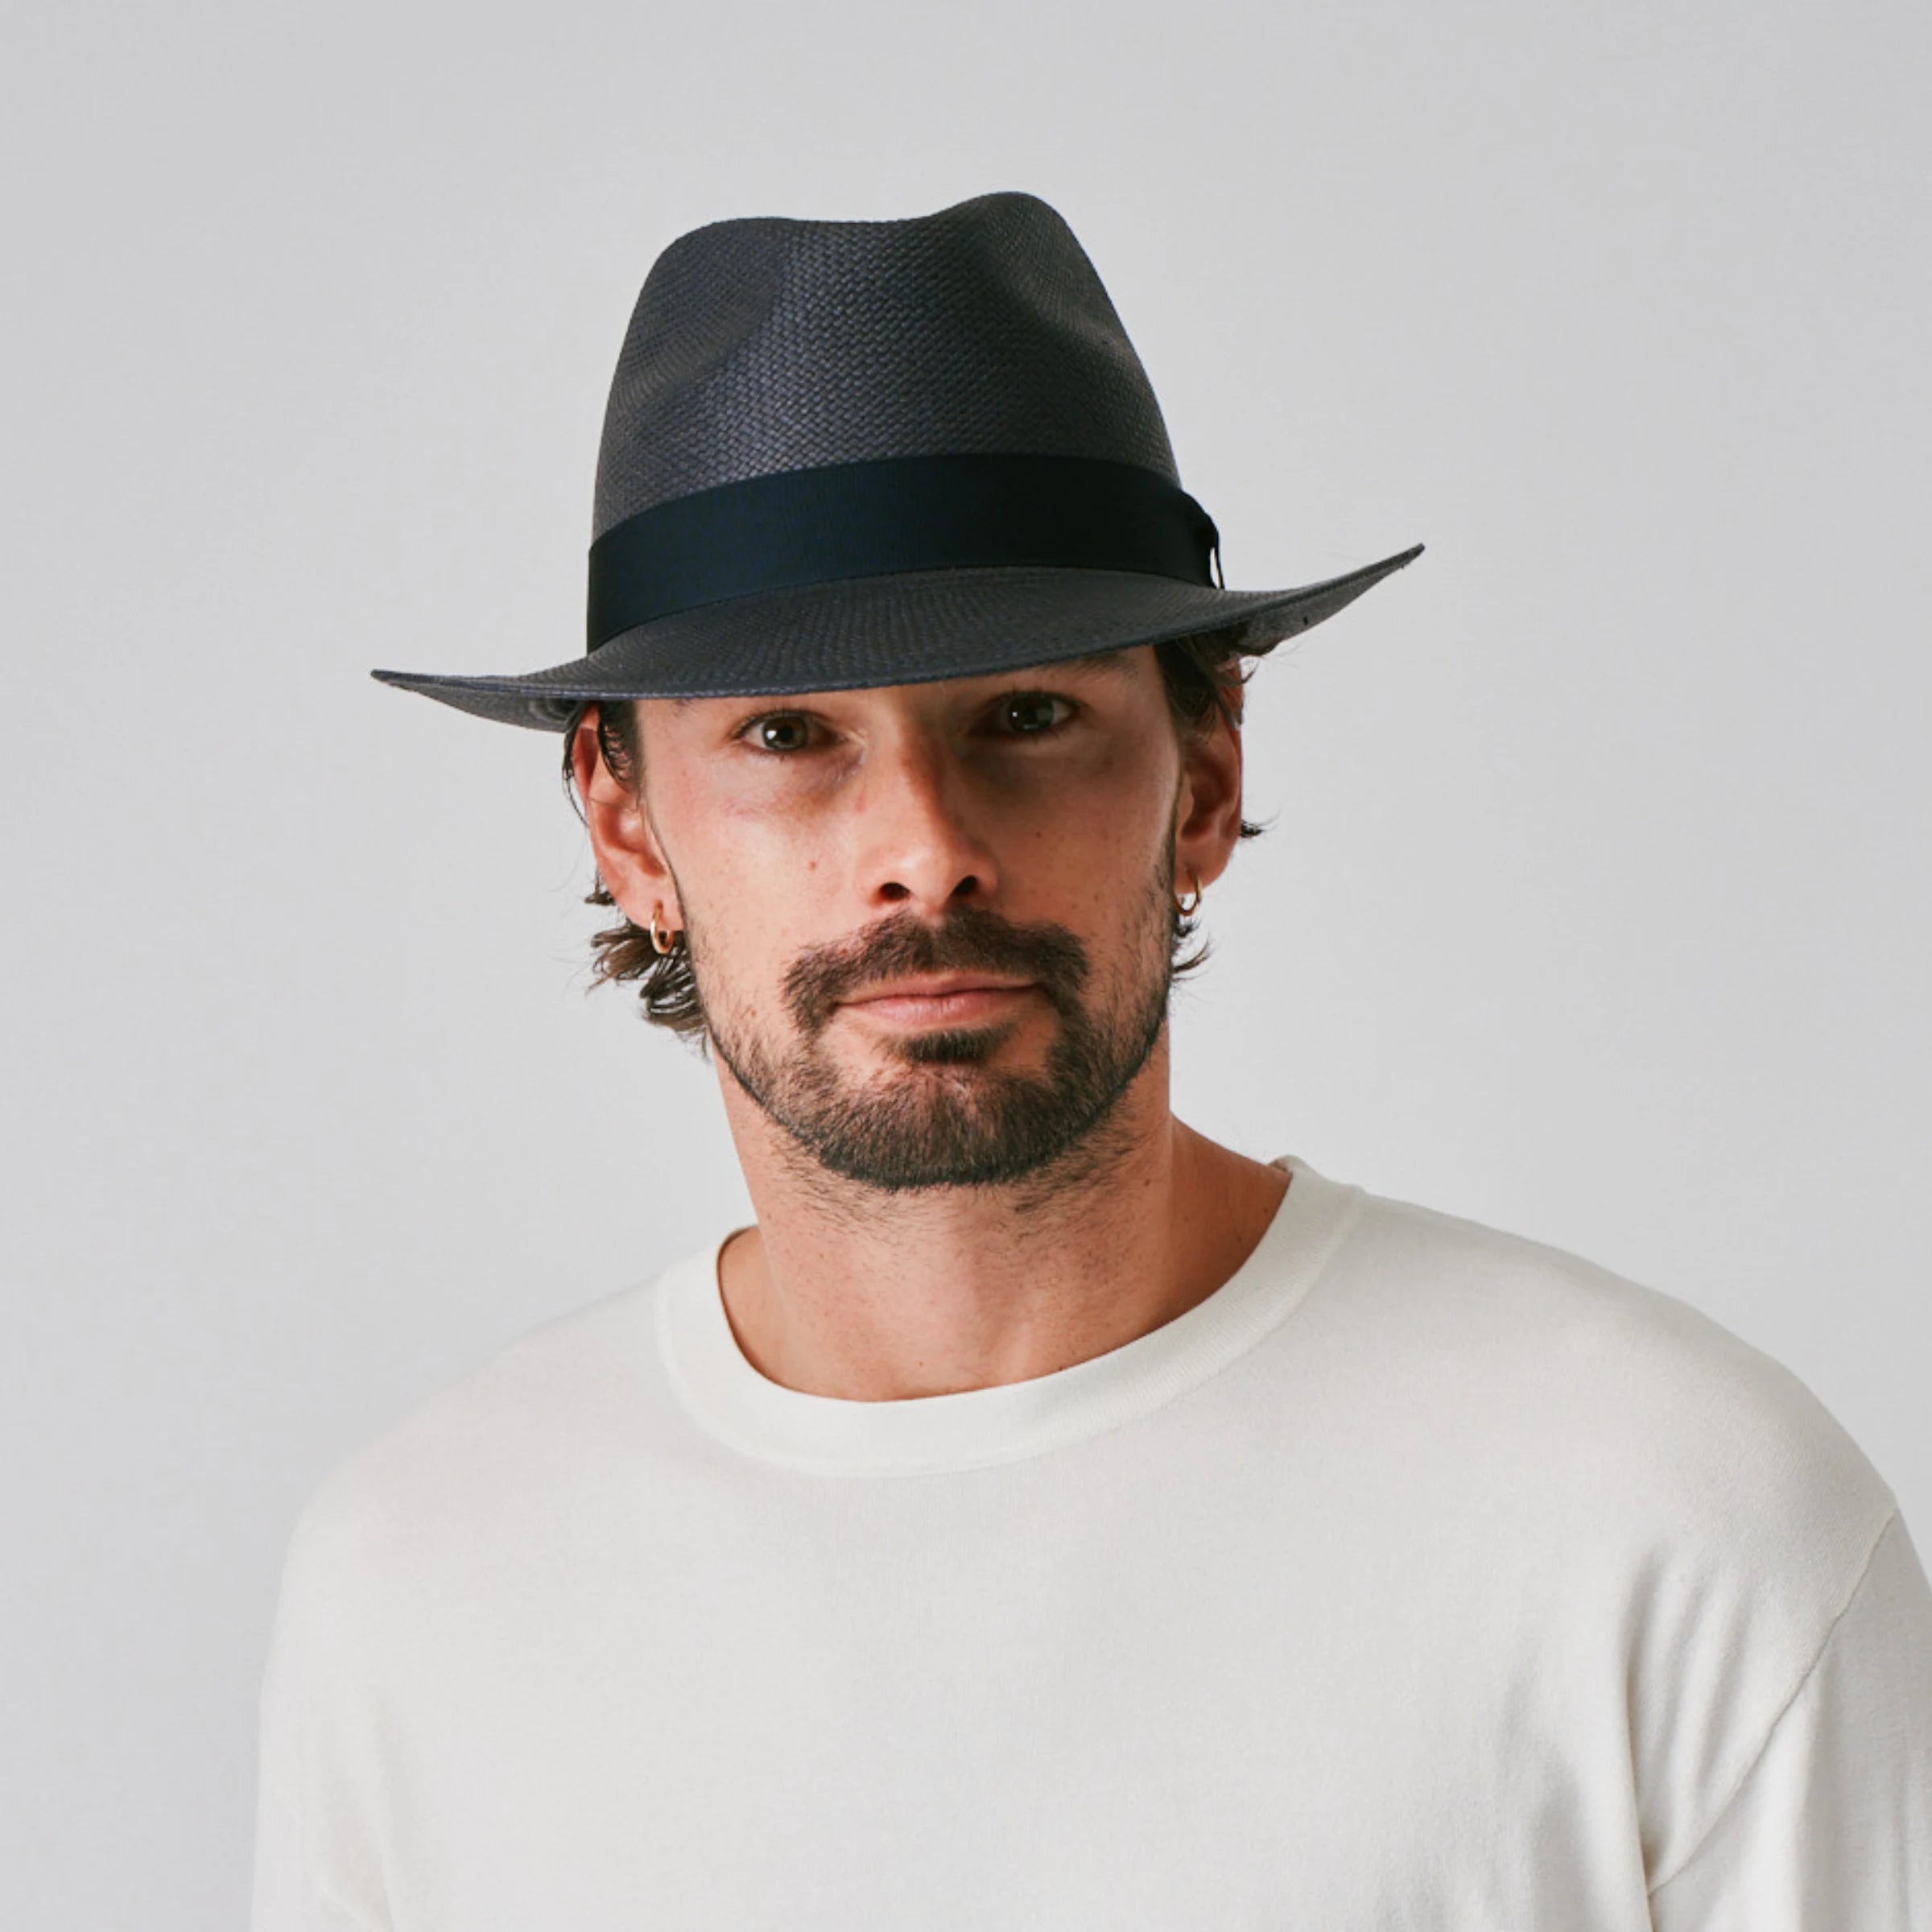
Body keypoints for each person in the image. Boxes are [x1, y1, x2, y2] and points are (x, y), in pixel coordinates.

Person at [252, 192, 1932, 1930]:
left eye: (1029, 715)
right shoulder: (422, 1585)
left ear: (1204, 778)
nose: (924, 850)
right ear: (626, 826)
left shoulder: (1673, 1523)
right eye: (788, 733)